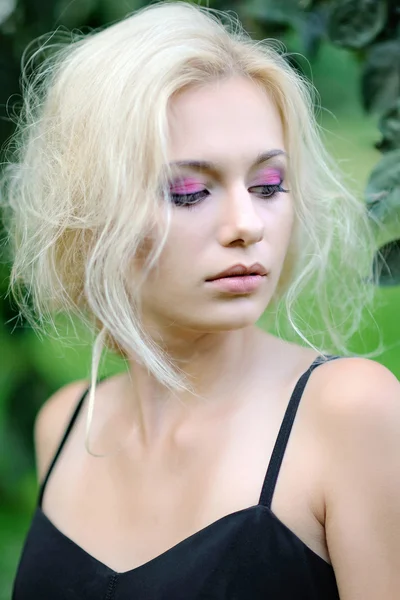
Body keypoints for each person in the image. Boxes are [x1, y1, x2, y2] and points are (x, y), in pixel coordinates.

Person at [1, 1, 399, 598]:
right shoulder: (64, 424)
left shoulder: (351, 414)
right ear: (89, 211)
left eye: (268, 185)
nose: (248, 224)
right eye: (189, 192)